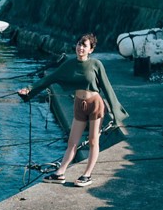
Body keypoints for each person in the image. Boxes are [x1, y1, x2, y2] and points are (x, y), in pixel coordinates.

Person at [18, 33, 128, 188]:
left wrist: (116, 113)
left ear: (91, 49)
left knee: (93, 141)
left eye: (84, 45)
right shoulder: (69, 64)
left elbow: (107, 87)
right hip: (78, 104)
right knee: (72, 142)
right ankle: (60, 173)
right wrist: (29, 89)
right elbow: (50, 78)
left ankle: (87, 174)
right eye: (79, 44)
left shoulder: (96, 64)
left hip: (95, 104)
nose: (80, 48)